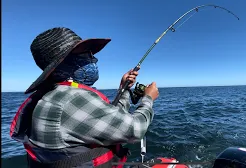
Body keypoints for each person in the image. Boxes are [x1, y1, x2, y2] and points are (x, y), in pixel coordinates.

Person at [10, 27, 159, 168]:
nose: (93, 59)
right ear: (63, 63)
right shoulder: (72, 98)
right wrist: (148, 99)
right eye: (85, 54)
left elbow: (109, 121)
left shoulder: (47, 96)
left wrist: (124, 89)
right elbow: (135, 129)